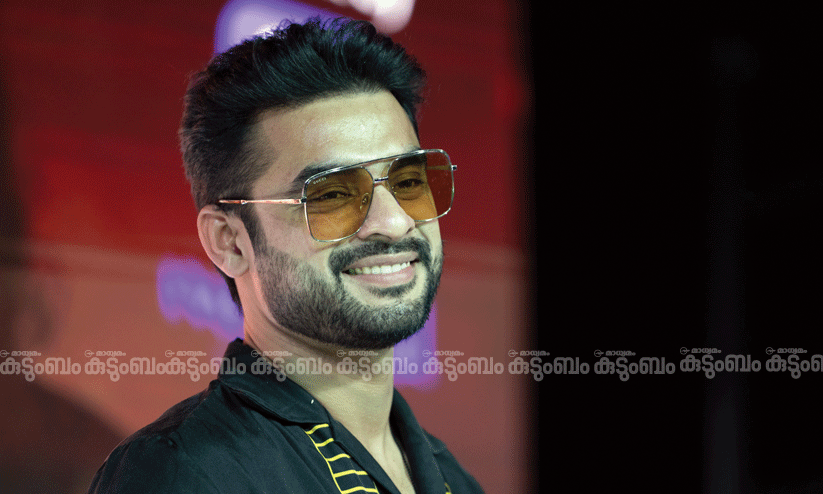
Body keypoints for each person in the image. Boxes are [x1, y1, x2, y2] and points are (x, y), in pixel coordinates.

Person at [88, 17, 483, 494]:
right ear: (229, 242)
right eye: (332, 195)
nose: (395, 221)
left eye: (409, 181)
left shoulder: (453, 480)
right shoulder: (184, 472)